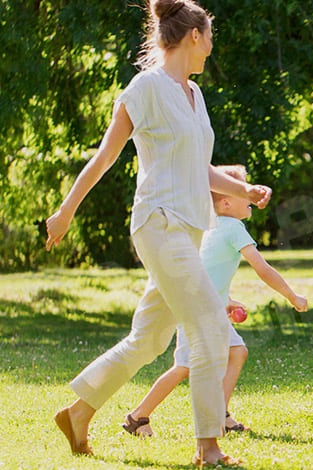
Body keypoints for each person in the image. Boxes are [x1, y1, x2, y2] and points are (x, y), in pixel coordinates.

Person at [45, 0, 269, 465]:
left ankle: (79, 412)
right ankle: (208, 445)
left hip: (186, 230)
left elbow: (198, 167)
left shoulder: (195, 94)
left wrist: (242, 189)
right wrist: (65, 211)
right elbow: (105, 155)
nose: (211, 47)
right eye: (209, 37)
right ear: (193, 36)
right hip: (158, 223)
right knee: (209, 327)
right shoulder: (146, 87)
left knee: (149, 340)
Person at [122, 165, 308, 438]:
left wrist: (226, 300)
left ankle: (220, 412)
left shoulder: (209, 228)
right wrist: (292, 296)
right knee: (184, 366)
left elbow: (207, 271)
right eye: (243, 190)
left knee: (237, 351)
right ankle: (138, 416)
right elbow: (262, 268)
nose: (250, 198)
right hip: (196, 310)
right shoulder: (234, 227)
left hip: (206, 307)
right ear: (226, 201)